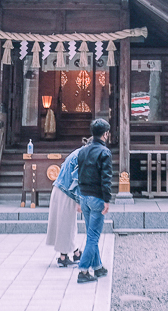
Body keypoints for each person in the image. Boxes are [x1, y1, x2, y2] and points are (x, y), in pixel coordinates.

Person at [75, 117, 114, 283]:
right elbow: (106, 178)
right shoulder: (105, 152)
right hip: (97, 196)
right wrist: (107, 199)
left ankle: (97, 267)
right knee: (93, 236)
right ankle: (83, 271)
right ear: (105, 134)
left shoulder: (82, 151)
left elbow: (77, 175)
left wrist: (78, 198)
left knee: (91, 233)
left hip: (83, 195)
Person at [46, 138, 88, 267]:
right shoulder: (82, 157)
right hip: (67, 192)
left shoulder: (76, 153)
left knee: (66, 224)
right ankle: (63, 256)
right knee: (66, 224)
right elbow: (78, 179)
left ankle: (74, 253)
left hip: (59, 189)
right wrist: (80, 200)